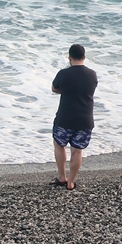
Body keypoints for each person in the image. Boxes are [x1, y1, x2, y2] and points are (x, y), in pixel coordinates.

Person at [50, 44, 97, 190]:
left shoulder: (63, 74)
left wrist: (66, 91)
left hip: (65, 118)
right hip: (85, 119)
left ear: (69, 58)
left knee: (59, 145)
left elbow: (54, 88)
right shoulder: (92, 74)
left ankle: (61, 177)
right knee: (77, 150)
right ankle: (71, 182)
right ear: (84, 57)